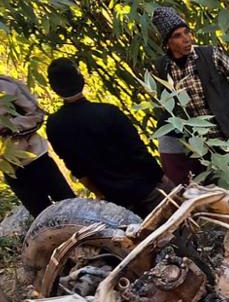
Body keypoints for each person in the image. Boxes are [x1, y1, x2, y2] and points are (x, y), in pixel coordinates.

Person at [148, 6, 229, 185]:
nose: (186, 39)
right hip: (210, 148)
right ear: (167, 43)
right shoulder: (164, 68)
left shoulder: (210, 55)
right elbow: (170, 110)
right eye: (178, 36)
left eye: (187, 32)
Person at [44, 57, 171, 216]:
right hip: (146, 188)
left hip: (114, 202)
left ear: (54, 88)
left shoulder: (54, 125)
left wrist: (100, 194)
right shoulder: (108, 113)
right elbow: (138, 152)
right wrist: (160, 176)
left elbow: (77, 169)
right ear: (81, 80)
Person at [0, 59, 77, 217]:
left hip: (36, 157)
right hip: (10, 168)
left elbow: (37, 114)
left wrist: (10, 127)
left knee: (69, 205)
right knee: (42, 216)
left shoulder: (7, 85)